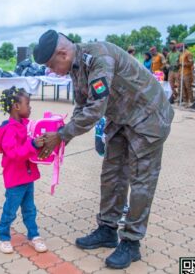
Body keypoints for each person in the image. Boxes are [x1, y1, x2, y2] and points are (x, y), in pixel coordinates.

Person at [33, 30, 174, 270]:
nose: (51, 70)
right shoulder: (76, 67)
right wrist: (62, 138)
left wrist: (62, 135)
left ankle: (131, 242)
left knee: (141, 181)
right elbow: (82, 105)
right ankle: (108, 229)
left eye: (51, 64)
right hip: (121, 119)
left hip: (148, 117)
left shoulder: (100, 57)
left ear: (63, 53)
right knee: (112, 175)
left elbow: (95, 109)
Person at [0, 87, 48, 254]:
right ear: (16, 107)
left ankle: (33, 235)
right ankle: (4, 237)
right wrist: (33, 145)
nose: (30, 107)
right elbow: (14, 154)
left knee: (30, 209)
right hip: (15, 179)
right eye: (28, 103)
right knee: (10, 210)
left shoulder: (27, 125)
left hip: (28, 177)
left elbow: (33, 141)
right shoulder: (8, 129)